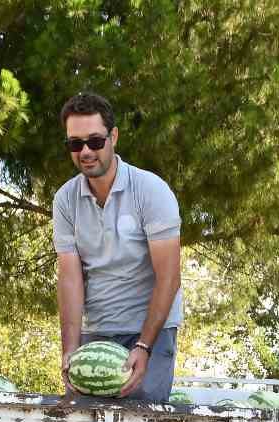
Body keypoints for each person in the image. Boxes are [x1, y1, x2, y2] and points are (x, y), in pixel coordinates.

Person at [53, 91, 183, 402]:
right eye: (75, 144)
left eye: (95, 141)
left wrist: (144, 346)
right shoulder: (65, 200)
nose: (85, 151)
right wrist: (70, 350)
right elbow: (70, 279)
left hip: (149, 329)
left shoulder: (151, 191)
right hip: (96, 332)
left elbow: (169, 277)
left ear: (114, 137)